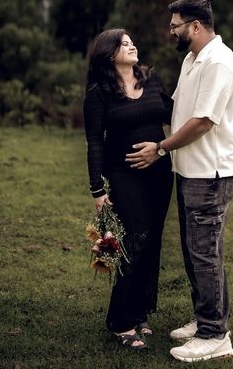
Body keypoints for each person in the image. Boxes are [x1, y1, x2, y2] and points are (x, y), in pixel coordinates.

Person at [126, 0, 233, 362]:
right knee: (198, 252)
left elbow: (203, 122)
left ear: (195, 26)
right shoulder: (192, 58)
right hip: (190, 170)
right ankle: (206, 318)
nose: (171, 31)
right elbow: (175, 107)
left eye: (176, 25)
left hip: (211, 173)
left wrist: (161, 148)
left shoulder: (219, 63)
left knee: (205, 253)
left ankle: (214, 335)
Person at [83, 28, 174, 350]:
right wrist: (97, 189)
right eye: (124, 43)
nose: (132, 45)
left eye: (132, 41)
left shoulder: (151, 78)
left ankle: (140, 312)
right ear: (110, 54)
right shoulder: (99, 91)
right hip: (122, 174)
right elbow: (94, 141)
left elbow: (172, 113)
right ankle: (120, 321)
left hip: (160, 173)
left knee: (152, 243)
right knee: (134, 240)